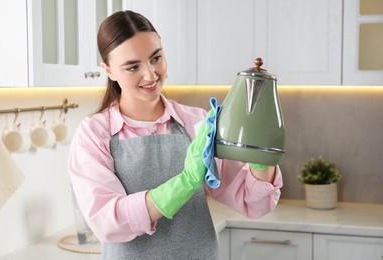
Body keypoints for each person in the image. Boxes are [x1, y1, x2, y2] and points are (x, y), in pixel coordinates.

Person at [68, 10, 283, 260]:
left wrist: (262, 159)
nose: (150, 75)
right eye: (132, 67)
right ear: (109, 70)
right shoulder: (94, 134)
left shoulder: (197, 123)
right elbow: (107, 221)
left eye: (156, 58)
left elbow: (253, 203)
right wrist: (185, 182)